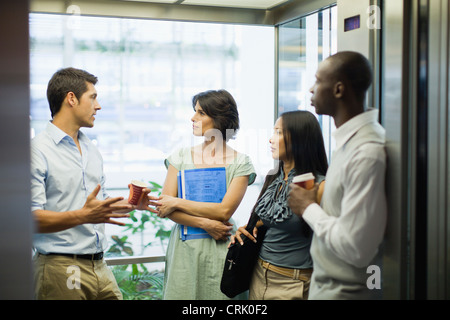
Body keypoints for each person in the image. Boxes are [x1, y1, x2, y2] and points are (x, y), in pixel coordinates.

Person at [31, 67, 159, 300]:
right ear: (71, 98)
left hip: (100, 265)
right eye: (93, 97)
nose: (98, 106)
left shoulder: (91, 149)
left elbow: (97, 206)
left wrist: (132, 204)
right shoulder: (36, 150)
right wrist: (83, 216)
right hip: (62, 267)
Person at [288, 51, 387, 300]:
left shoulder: (366, 152)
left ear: (339, 89)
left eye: (318, 81)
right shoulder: (349, 142)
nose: (311, 89)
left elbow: (357, 249)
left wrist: (308, 207)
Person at [155, 89, 256, 300]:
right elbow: (165, 208)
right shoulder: (180, 156)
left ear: (219, 119)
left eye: (201, 113)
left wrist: (177, 202)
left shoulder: (241, 162)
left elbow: (224, 210)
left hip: (222, 244)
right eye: (194, 111)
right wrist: (205, 224)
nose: (193, 118)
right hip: (185, 249)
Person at [230, 110, 328, 300]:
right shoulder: (274, 178)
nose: (271, 139)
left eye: (279, 132)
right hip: (259, 276)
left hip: (293, 283)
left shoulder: (319, 185)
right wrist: (250, 229)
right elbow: (272, 220)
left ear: (299, 138)